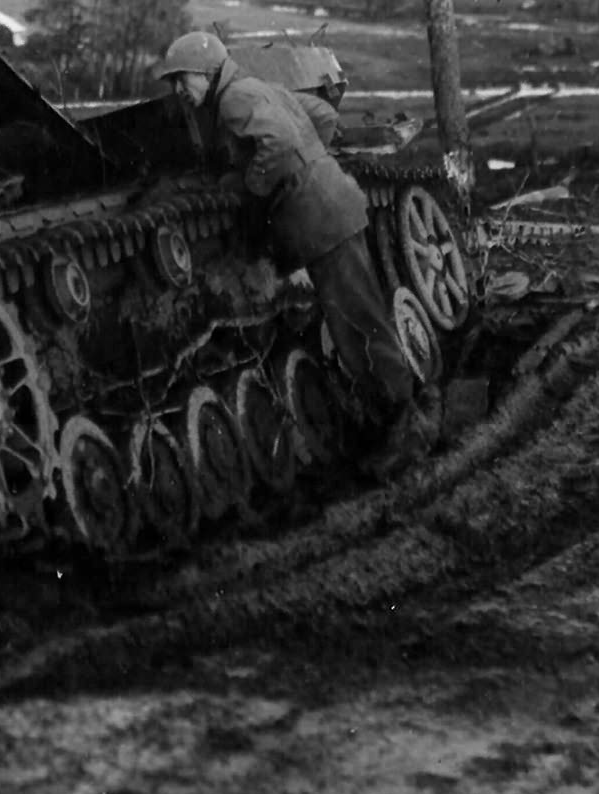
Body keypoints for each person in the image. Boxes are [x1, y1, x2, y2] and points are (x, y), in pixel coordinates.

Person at [153, 31, 435, 478]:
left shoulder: (233, 100)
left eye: (182, 79)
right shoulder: (257, 87)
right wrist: (314, 161)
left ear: (206, 72)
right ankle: (406, 422)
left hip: (322, 221)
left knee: (361, 331)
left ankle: (409, 436)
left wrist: (254, 185)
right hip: (330, 211)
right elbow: (320, 115)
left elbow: (278, 145)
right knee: (359, 326)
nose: (178, 91)